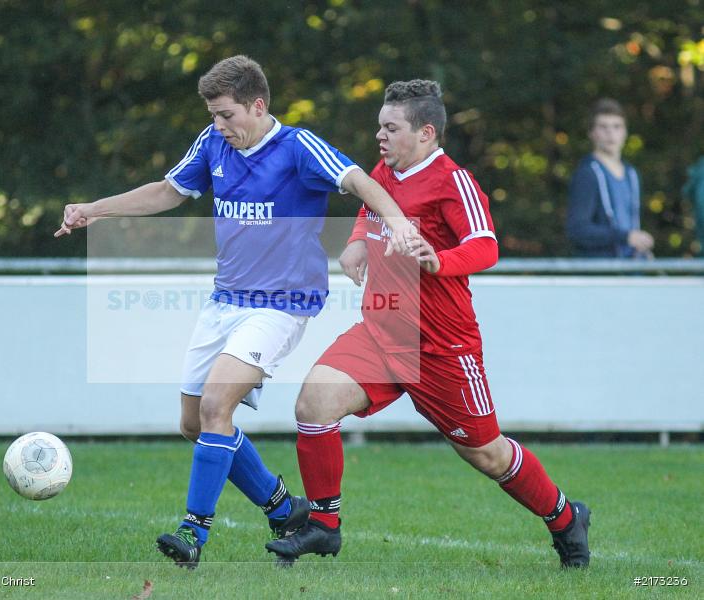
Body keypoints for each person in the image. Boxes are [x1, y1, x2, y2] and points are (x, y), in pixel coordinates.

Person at [54, 55, 414, 569]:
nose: (219, 125)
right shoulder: (212, 144)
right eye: (213, 116)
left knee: (216, 404)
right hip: (225, 301)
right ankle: (283, 508)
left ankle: (193, 530)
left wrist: (397, 222)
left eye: (226, 115)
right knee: (194, 423)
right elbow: (167, 191)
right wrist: (94, 209)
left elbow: (359, 181)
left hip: (281, 306)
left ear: (257, 106)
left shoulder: (297, 147)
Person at [266, 80, 592, 569]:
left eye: (391, 128)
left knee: (487, 454)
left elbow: (486, 245)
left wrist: (439, 260)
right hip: (382, 331)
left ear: (426, 133)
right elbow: (371, 205)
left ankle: (566, 518)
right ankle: (323, 526)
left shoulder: (452, 181)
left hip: (442, 346)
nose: (380, 136)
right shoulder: (387, 169)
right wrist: (356, 242)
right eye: (380, 126)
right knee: (314, 402)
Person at [566, 98, 654, 258]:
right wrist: (625, 237)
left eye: (616, 126)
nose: (610, 133)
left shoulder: (631, 174)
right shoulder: (588, 174)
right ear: (592, 133)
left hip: (631, 267)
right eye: (603, 127)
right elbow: (578, 229)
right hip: (602, 269)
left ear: (625, 132)